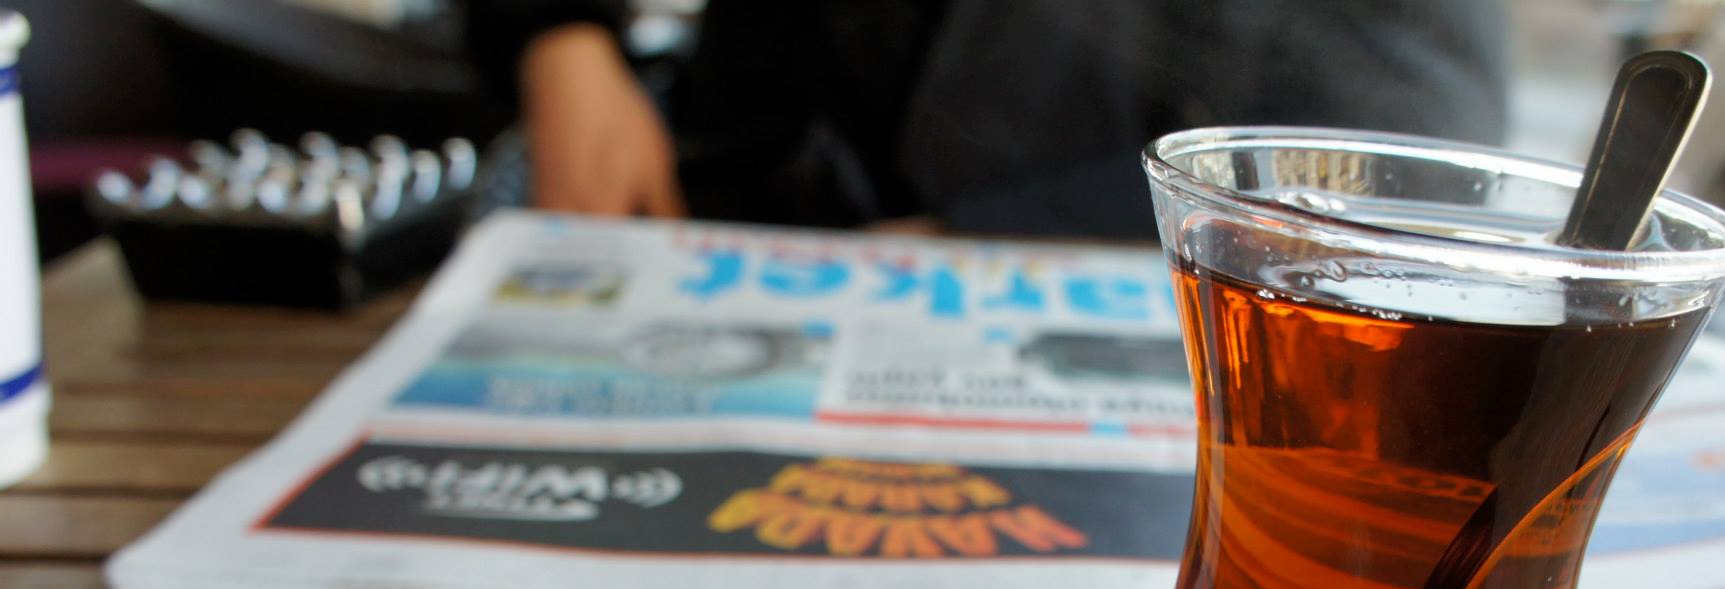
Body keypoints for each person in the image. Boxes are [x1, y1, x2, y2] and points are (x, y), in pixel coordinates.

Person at [468, 0, 1507, 238]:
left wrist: (982, 236)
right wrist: (559, 34)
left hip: (1118, 315)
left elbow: (1407, 155)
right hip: (705, 215)